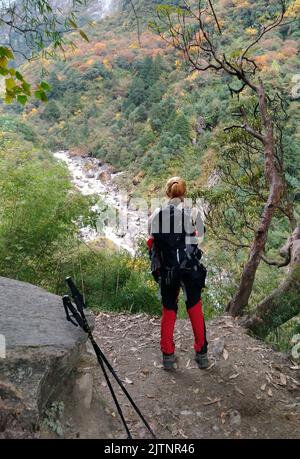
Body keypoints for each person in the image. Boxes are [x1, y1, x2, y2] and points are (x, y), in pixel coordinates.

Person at [147, 177, 209, 371]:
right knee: (194, 307)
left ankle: (168, 356)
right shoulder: (194, 213)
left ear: (167, 193)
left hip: (168, 271)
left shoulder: (156, 215)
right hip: (190, 269)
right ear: (184, 193)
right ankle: (202, 355)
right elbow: (199, 238)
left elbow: (151, 243)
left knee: (169, 310)